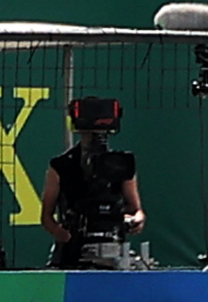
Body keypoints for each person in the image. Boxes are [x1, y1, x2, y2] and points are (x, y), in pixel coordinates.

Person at [42, 94, 146, 266]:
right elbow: (46, 216)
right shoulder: (61, 166)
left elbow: (137, 210)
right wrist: (59, 232)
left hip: (113, 247)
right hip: (73, 250)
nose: (96, 136)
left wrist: (136, 220)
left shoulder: (121, 165)